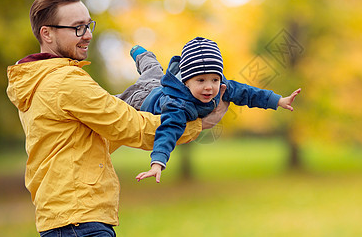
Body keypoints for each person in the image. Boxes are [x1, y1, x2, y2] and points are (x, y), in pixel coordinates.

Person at [6, 0, 228, 236]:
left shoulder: (39, 80)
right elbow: (131, 127)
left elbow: (99, 137)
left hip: (69, 218)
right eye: (78, 28)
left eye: (89, 25)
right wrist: (200, 124)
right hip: (79, 222)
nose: (88, 35)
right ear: (47, 33)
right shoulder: (64, 82)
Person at [121, 37, 301, 183]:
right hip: (142, 99)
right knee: (133, 87)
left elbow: (247, 93)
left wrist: (278, 100)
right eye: (201, 81)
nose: (209, 87)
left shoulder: (221, 87)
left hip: (160, 86)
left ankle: (142, 55)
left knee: (154, 72)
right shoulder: (178, 105)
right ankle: (141, 53)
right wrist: (157, 163)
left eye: (214, 79)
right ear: (186, 81)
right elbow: (168, 131)